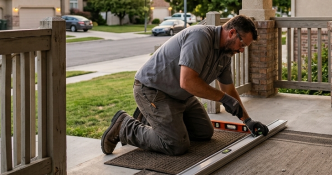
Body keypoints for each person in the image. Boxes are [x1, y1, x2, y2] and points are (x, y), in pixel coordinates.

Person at [101, 15, 269, 156]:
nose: (241, 51)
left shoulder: (225, 54)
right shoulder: (200, 37)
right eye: (242, 45)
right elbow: (187, 81)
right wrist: (223, 98)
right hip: (153, 91)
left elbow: (228, 89)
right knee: (176, 145)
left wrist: (248, 121)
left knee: (205, 132)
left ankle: (153, 120)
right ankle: (124, 126)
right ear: (232, 33)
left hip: (181, 95)